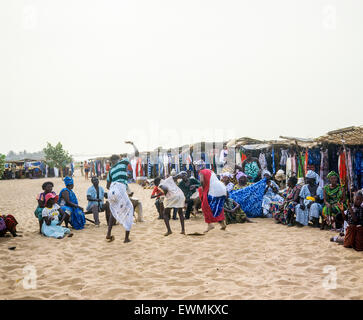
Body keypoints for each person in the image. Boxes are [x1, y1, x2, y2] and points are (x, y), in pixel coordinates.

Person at [106, 153, 134, 243]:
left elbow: (107, 186)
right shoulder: (123, 162)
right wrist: (132, 144)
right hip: (119, 188)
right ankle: (126, 238)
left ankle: (108, 233)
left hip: (111, 191)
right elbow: (136, 154)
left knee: (113, 211)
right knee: (129, 209)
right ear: (118, 159)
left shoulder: (110, 171)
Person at [198, 168, 227, 233]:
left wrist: (202, 188)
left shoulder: (201, 172)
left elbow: (202, 181)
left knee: (205, 206)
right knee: (218, 207)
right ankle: (222, 224)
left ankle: (210, 224)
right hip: (222, 188)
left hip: (214, 190)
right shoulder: (211, 171)